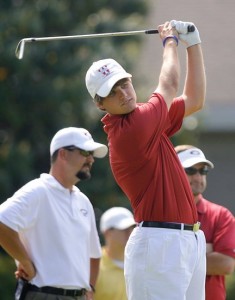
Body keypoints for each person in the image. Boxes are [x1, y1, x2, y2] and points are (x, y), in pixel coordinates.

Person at [85, 20, 207, 300]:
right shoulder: (133, 128)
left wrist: (193, 44)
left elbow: (195, 99)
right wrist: (170, 42)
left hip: (187, 239)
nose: (124, 94)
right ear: (100, 103)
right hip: (159, 244)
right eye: (112, 92)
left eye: (124, 84)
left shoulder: (145, 118)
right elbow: (170, 83)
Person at [0, 127, 108, 300]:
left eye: (91, 154)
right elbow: (2, 221)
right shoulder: (38, 191)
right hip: (43, 294)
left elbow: (94, 255)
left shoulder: (83, 201)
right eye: (85, 152)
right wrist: (25, 261)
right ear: (63, 154)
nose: (91, 159)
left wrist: (90, 289)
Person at [175, 145, 235, 300]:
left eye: (203, 171)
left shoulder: (221, 215)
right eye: (190, 170)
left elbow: (225, 264)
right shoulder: (156, 213)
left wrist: (174, 256)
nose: (198, 177)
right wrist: (204, 250)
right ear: (173, 171)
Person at [94, 207, 136, 300]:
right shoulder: (93, 264)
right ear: (107, 233)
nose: (130, 233)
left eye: (132, 227)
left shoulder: (140, 263)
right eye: (123, 229)